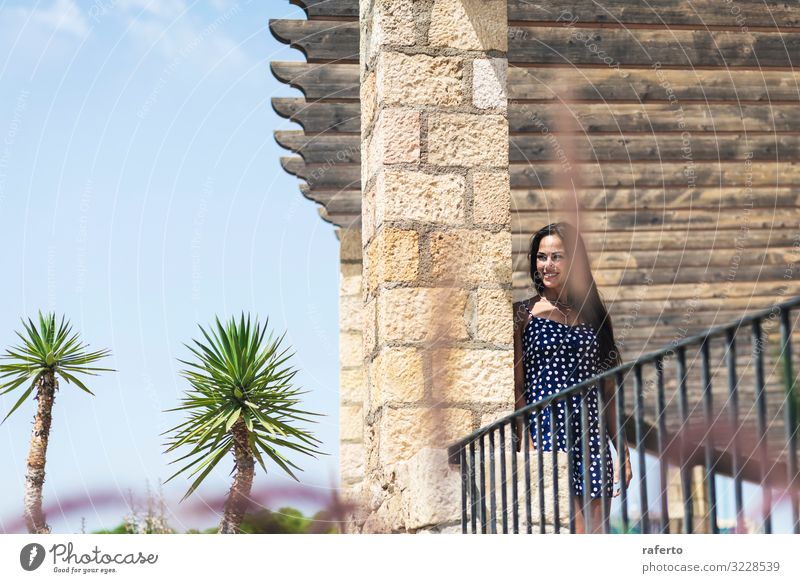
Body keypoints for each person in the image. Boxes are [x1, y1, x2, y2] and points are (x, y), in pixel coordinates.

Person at [513, 221, 632, 533]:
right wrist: (526, 443)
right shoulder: (522, 314)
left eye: (557, 257)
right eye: (541, 257)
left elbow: (607, 389)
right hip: (547, 433)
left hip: (592, 436)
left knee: (596, 532)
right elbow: (518, 387)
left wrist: (624, 453)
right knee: (565, 530)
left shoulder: (594, 315)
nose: (547, 266)